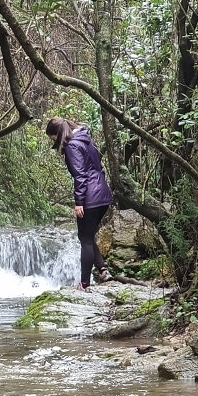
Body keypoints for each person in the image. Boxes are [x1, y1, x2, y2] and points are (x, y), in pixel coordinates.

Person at [45, 116, 113, 291]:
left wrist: (79, 202)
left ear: (57, 134)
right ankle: (103, 270)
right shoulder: (86, 140)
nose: (54, 142)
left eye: (53, 138)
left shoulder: (72, 146)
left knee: (85, 239)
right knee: (87, 235)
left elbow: (80, 176)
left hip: (91, 197)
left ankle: (84, 284)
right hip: (102, 193)